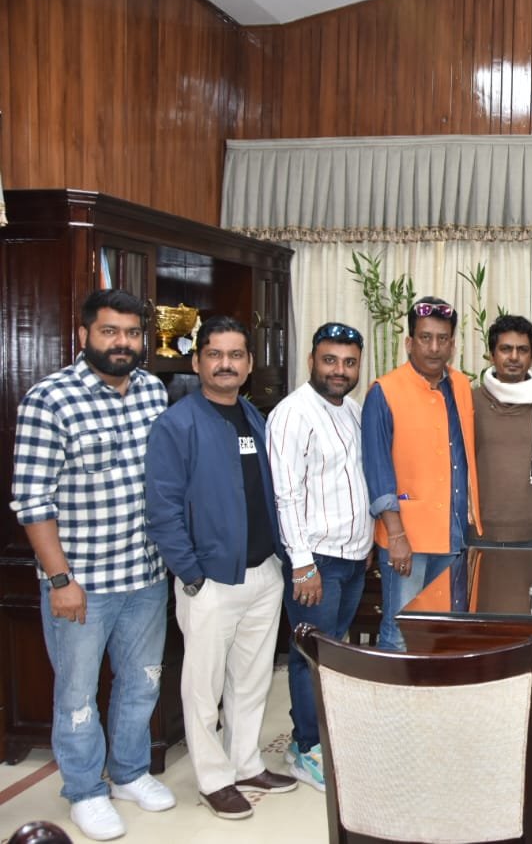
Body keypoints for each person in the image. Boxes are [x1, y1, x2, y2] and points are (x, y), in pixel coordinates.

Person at [10, 289, 174, 840]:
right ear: (84, 334)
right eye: (109, 331)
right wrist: (60, 580)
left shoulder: (152, 391)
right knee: (77, 694)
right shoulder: (50, 400)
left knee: (142, 682)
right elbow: (32, 501)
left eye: (132, 333)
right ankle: (84, 790)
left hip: (146, 575)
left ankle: (128, 773)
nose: (122, 342)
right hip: (82, 583)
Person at [145, 316, 297, 821]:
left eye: (235, 355)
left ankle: (246, 763)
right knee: (203, 687)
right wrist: (190, 573)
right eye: (215, 354)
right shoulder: (177, 424)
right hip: (210, 580)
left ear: (249, 364)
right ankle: (213, 779)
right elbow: (162, 508)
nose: (225, 364)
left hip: (263, 572)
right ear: (197, 362)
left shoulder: (253, 416)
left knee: (251, 680)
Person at [266, 322, 373, 791]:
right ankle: (308, 747)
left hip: (351, 557)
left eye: (349, 362)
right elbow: (286, 496)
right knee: (311, 656)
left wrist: (364, 544)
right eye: (330, 360)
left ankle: (322, 736)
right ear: (311, 360)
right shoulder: (292, 414)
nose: (339, 370)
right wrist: (303, 564)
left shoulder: (352, 409)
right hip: (317, 562)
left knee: (333, 652)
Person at [362, 297, 480, 652]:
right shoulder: (384, 391)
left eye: (442, 339)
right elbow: (377, 468)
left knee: (443, 631)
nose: (434, 347)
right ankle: (392, 692)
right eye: (425, 338)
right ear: (409, 342)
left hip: (453, 534)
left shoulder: (460, 385)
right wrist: (396, 535)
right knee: (400, 632)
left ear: (453, 344)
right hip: (408, 539)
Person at [471, 315, 532, 546]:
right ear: (492, 355)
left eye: (522, 350)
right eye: (505, 349)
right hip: (479, 532)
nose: (514, 357)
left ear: (531, 358)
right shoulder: (469, 403)